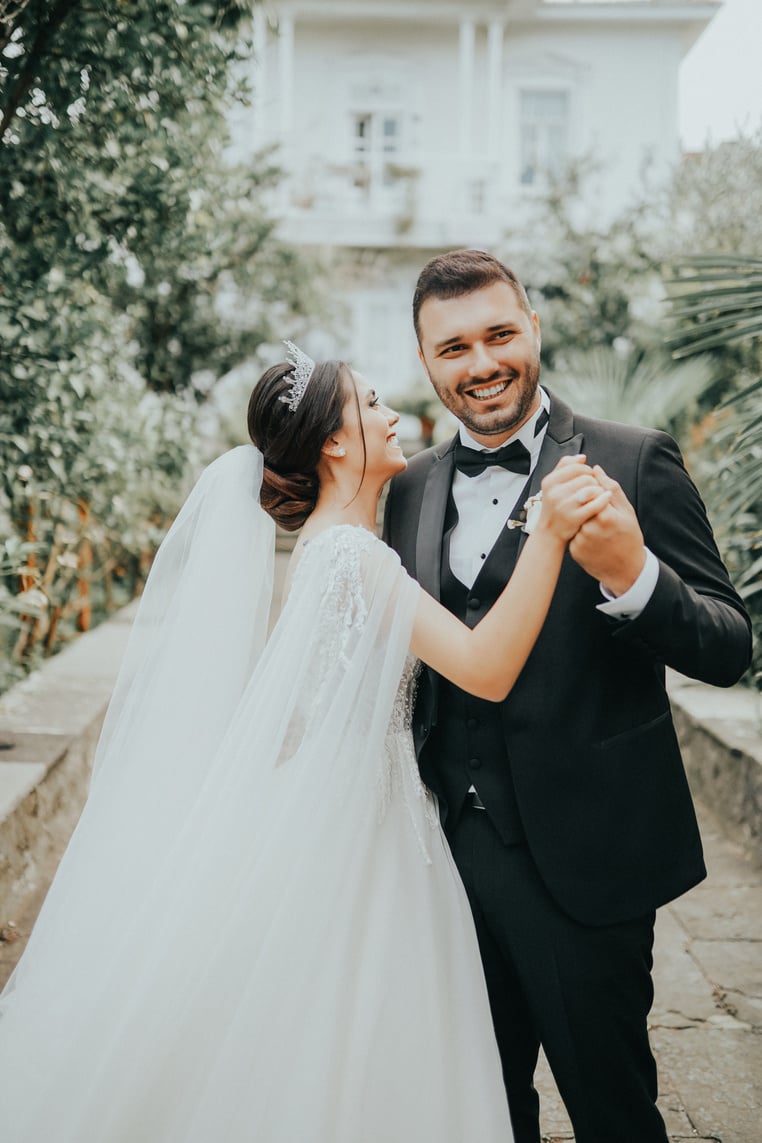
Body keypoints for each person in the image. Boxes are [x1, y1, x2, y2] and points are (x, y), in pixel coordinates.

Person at [0, 343, 611, 1142]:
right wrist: (551, 533)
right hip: (364, 833)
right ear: (333, 440)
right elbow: (485, 668)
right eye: (371, 405)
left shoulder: (326, 552)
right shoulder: (355, 557)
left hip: (354, 810)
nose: (395, 415)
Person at [383, 249, 753, 1143]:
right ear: (427, 360)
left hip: (591, 858)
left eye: (501, 334)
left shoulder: (634, 460)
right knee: (480, 1105)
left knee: (613, 1107)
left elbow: (729, 646)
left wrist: (635, 578)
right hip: (445, 856)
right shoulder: (409, 488)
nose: (482, 364)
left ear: (534, 329)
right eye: (455, 347)